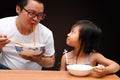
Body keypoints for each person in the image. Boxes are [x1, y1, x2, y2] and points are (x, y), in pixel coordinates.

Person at [0, 0, 55, 70]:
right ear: (18, 9)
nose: (35, 19)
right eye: (31, 13)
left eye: (40, 15)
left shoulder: (46, 33)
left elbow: (51, 62)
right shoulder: (2, 25)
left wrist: (39, 60)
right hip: (6, 71)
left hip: (33, 75)